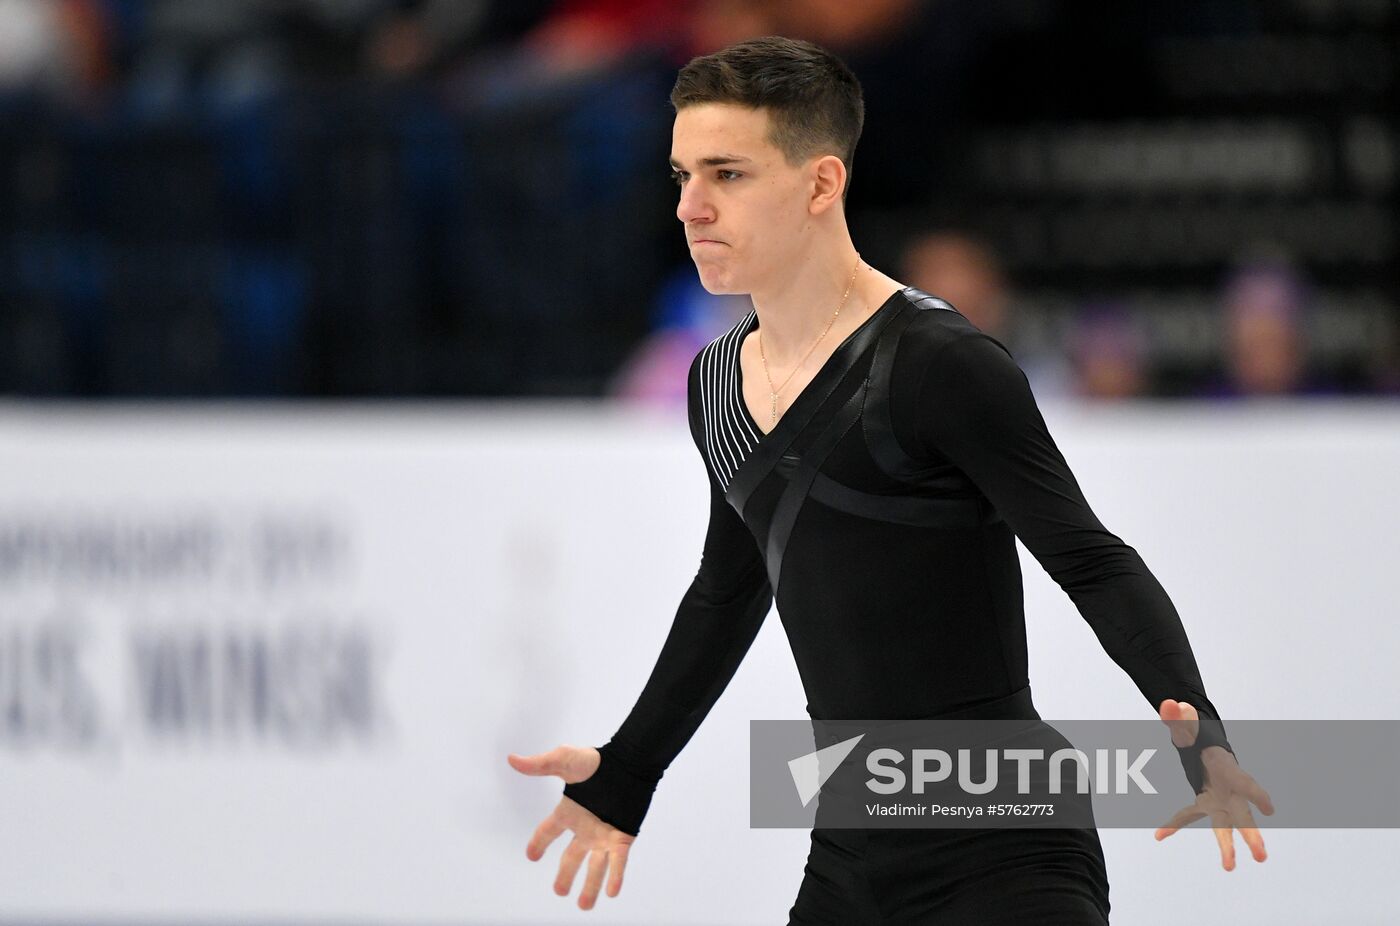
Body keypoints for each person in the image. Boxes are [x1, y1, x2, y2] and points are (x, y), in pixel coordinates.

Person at [508, 35, 1272, 922]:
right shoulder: (714, 382)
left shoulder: (940, 363)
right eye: (681, 175)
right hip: (850, 850)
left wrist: (1200, 730)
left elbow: (1089, 558)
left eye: (727, 174)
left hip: (1007, 847)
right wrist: (629, 770)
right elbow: (728, 592)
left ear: (821, 184)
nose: (691, 207)